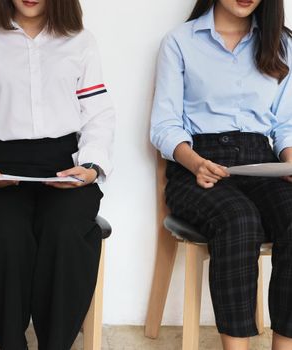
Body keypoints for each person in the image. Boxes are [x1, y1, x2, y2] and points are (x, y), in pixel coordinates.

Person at [0, 0, 115, 348]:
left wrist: (91, 166)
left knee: (65, 230)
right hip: (0, 167)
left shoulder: (80, 41)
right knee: (5, 233)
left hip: (66, 166)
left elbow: (97, 115)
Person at [150, 0, 292, 349]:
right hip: (197, 165)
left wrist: (289, 161)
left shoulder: (282, 43)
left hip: (263, 162)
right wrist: (194, 161)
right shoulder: (180, 42)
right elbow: (163, 126)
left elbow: (285, 124)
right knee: (239, 219)